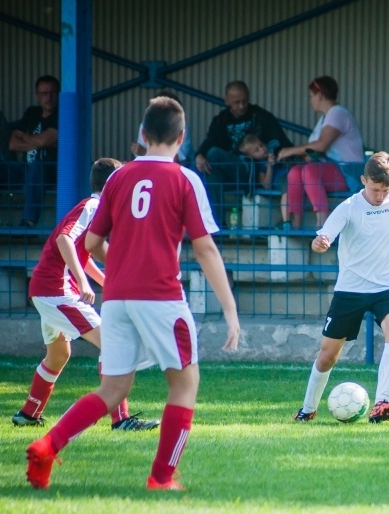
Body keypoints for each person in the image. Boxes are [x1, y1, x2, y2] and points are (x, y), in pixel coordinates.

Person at [25, 96, 240, 491]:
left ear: (142, 135)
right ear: (182, 136)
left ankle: (48, 444)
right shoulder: (184, 178)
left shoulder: (117, 179)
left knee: (112, 388)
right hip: (161, 297)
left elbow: (90, 240)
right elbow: (205, 247)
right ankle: (161, 477)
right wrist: (230, 310)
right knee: (184, 384)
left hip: (119, 298)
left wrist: (124, 262)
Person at [12, 158, 160, 431]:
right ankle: (122, 420)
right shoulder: (93, 206)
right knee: (114, 344)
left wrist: (105, 280)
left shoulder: (96, 209)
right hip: (57, 291)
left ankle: (28, 414)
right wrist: (81, 281)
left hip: (46, 291)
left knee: (58, 354)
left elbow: (82, 252)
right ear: (112, 183)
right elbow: (64, 240)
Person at [293, 152, 389, 424]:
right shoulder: (348, 207)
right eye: (375, 189)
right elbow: (321, 239)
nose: (380, 195)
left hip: (385, 287)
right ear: (363, 180)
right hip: (350, 290)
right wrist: (319, 244)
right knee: (328, 356)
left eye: (386, 190)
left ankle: (381, 403)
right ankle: (308, 408)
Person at [194, 80, 293, 224]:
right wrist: (199, 155)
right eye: (236, 102)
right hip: (230, 170)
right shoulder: (220, 120)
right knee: (209, 171)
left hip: (252, 169)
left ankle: (213, 228)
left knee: (214, 154)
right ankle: (218, 228)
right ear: (226, 100)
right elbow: (209, 141)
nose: (241, 106)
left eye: (245, 101)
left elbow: (282, 142)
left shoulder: (260, 116)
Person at [276, 76, 365, 229]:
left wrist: (288, 151)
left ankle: (322, 223)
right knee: (295, 172)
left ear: (319, 95)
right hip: (331, 168)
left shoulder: (337, 113)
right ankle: (294, 224)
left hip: (348, 172)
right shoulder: (325, 117)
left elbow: (321, 145)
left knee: (309, 171)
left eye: (311, 96)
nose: (311, 100)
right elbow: (314, 150)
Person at [8, 75, 60, 227]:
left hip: (50, 170)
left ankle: (28, 221)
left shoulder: (61, 114)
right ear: (37, 96)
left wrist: (23, 136)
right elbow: (12, 144)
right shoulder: (32, 113)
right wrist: (37, 142)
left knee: (38, 166)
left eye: (52, 92)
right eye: (44, 93)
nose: (48, 97)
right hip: (23, 169)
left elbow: (44, 140)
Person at [130, 90, 195, 167]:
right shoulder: (145, 125)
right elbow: (139, 155)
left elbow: (178, 159)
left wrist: (144, 152)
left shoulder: (181, 126)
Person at [237, 133, 289, 224]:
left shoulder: (274, 153)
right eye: (257, 150)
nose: (262, 149)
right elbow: (266, 185)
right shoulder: (259, 166)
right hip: (282, 181)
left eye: (261, 145)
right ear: (250, 156)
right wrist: (269, 166)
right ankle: (286, 222)